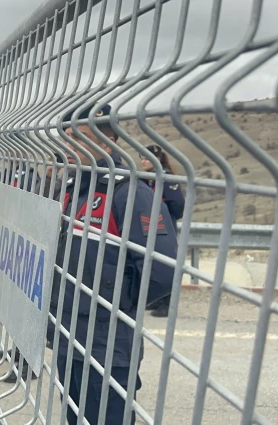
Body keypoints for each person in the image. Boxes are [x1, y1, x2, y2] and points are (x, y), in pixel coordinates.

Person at [44, 105, 178, 424]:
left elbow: (161, 272)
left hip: (107, 342)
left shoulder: (130, 191)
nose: (71, 148)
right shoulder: (73, 190)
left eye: (82, 138)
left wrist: (115, 307)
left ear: (108, 143)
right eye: (68, 139)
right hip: (68, 335)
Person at [140, 144, 185, 318]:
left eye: (147, 158)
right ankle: (158, 299)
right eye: (142, 157)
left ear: (158, 159)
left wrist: (164, 213)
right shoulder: (146, 178)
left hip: (165, 226)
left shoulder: (167, 179)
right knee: (152, 262)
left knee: (166, 262)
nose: (143, 161)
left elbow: (178, 206)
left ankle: (168, 303)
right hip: (149, 224)